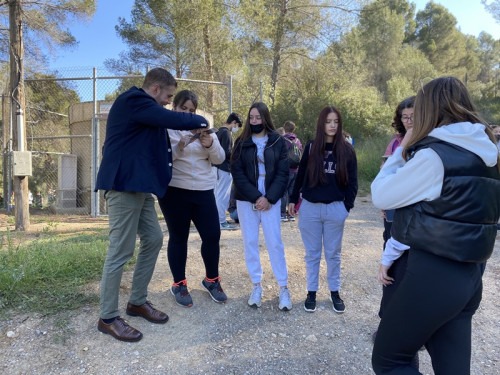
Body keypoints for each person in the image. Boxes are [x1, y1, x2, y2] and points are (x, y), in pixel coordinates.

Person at [371, 76, 500, 374]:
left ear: (430, 108)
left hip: (433, 273)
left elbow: (380, 195)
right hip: (471, 275)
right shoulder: (489, 156)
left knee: (390, 360)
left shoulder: (434, 156)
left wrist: (403, 146)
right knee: (452, 368)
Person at [95, 68, 208, 342]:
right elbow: (167, 117)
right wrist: (199, 119)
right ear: (155, 88)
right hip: (123, 187)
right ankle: (107, 318)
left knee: (154, 238)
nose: (170, 101)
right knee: (120, 251)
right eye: (169, 96)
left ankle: (136, 302)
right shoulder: (133, 101)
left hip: (139, 188)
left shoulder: (145, 112)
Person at [158, 90, 227, 308]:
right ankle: (179, 283)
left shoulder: (203, 127)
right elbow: (162, 158)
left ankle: (212, 280)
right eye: (183, 109)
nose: (188, 114)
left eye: (191, 110)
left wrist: (209, 144)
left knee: (212, 234)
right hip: (175, 190)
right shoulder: (166, 128)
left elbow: (220, 159)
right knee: (179, 237)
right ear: (174, 108)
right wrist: (179, 146)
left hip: (204, 190)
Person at [288, 106, 358, 314]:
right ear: (321, 123)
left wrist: (346, 207)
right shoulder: (311, 147)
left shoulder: (347, 149)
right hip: (310, 209)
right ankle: (312, 292)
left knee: (333, 254)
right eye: (328, 121)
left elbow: (353, 182)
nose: (332, 125)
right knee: (312, 254)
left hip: (335, 208)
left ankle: (334, 292)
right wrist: (293, 199)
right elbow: (300, 177)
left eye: (336, 121)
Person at [230, 102, 292, 311]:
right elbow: (236, 173)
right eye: (251, 118)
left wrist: (269, 198)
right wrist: (256, 196)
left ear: (265, 118)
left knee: (274, 242)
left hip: (271, 202)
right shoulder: (241, 142)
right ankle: (256, 286)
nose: (255, 121)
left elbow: (283, 173)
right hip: (247, 201)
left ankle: (283, 288)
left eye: (258, 117)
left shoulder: (277, 142)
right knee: (250, 242)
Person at [380, 96, 415, 250]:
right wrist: (384, 202)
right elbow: (384, 174)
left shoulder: (431, 141)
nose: (409, 121)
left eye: (413, 116)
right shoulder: (394, 143)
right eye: (405, 117)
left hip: (416, 209)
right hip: (394, 206)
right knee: (390, 244)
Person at [213, 112, 242, 230]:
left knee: (217, 195)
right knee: (223, 196)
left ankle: (218, 220)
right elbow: (227, 152)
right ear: (234, 122)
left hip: (217, 167)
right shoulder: (226, 133)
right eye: (237, 126)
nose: (236, 128)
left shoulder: (219, 131)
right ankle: (221, 221)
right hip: (224, 168)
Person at [280, 121, 303, 222]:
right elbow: (301, 151)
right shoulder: (297, 140)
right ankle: (291, 214)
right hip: (296, 170)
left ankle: (282, 215)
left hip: (286, 170)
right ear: (294, 129)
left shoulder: (282, 139)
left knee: (283, 192)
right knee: (292, 192)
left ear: (284, 128)